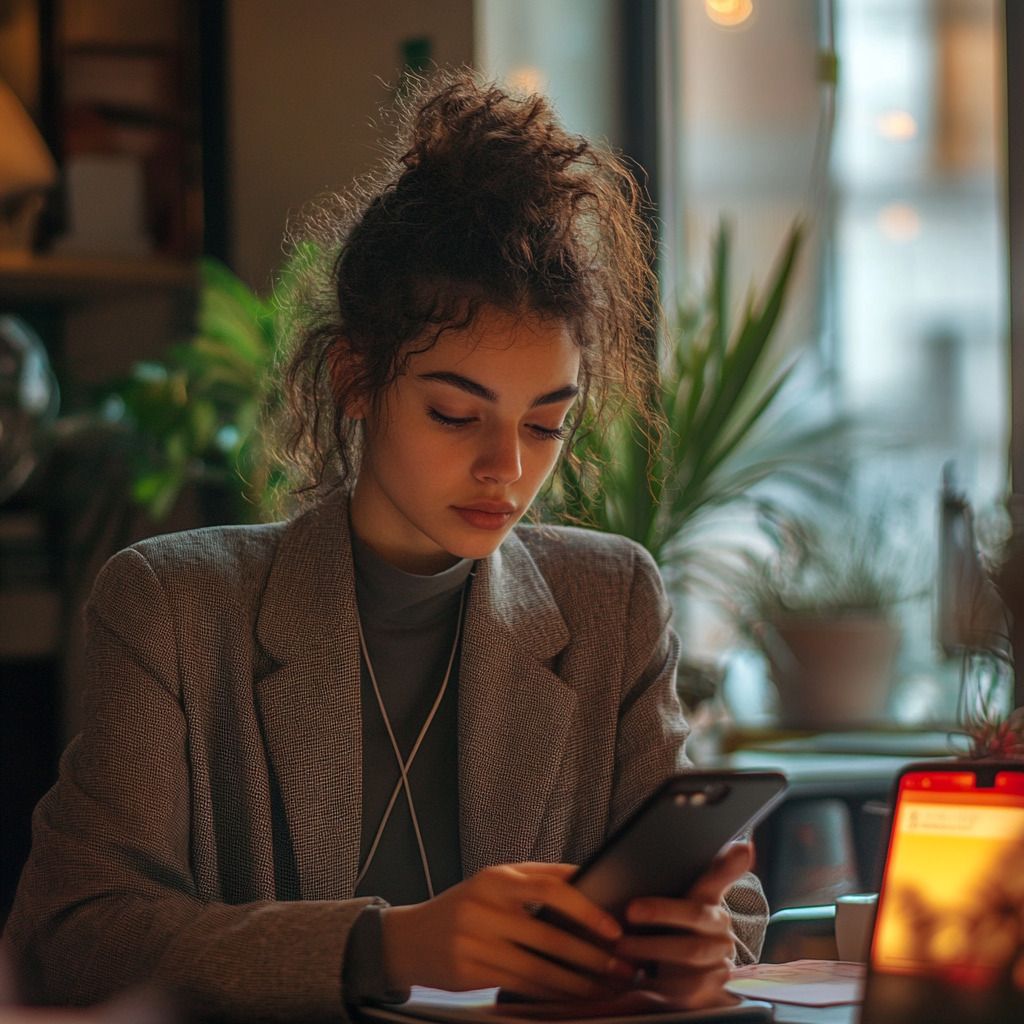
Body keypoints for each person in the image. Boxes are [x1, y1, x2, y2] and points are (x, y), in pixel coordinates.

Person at [3, 74, 768, 1021]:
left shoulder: (609, 599)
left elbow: (729, 909)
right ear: (355, 376)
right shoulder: (175, 604)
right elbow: (72, 936)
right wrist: (386, 945)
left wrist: (694, 951)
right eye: (456, 413)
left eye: (546, 425)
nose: (507, 468)